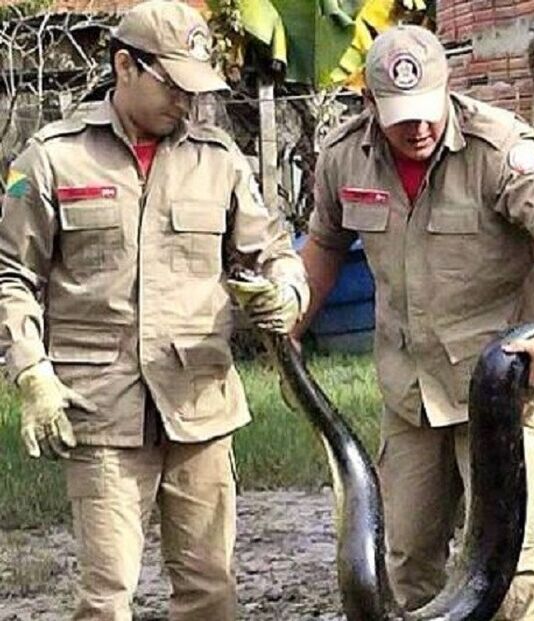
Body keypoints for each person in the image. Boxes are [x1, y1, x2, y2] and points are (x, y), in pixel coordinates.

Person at [0, 2, 308, 619]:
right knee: (109, 595)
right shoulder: (52, 158)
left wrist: (286, 292)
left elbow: (273, 251)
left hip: (199, 404)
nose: (186, 102)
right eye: (172, 84)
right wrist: (32, 372)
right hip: (102, 409)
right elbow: (12, 273)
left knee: (211, 591)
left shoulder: (218, 160)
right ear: (124, 65)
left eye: (195, 87)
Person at [293, 24, 534, 620]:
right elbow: (325, 245)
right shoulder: (343, 158)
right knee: (405, 560)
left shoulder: (499, 148)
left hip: (500, 388)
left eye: (429, 110)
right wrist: (292, 325)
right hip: (409, 390)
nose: (421, 127)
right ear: (370, 105)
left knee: (508, 564)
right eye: (402, 116)